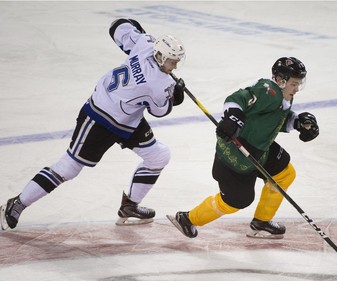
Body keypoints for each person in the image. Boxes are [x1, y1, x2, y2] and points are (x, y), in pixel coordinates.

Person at [0, 18, 186, 230]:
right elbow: (159, 110)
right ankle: (18, 203)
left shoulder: (145, 43)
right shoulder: (160, 83)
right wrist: (175, 95)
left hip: (128, 119)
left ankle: (130, 205)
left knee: (158, 155)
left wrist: (139, 33)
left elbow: (118, 27)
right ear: (160, 56)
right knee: (69, 167)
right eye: (173, 61)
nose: (175, 66)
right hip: (100, 117)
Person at [167, 57, 319, 239]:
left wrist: (298, 123)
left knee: (285, 173)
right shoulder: (268, 91)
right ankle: (188, 218)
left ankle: (262, 222)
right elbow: (236, 99)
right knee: (236, 201)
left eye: (299, 84)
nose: (297, 89)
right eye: (294, 84)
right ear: (280, 80)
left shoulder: (284, 95)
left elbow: (275, 119)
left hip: (260, 150)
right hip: (236, 156)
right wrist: (233, 116)